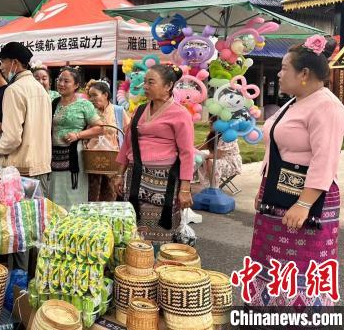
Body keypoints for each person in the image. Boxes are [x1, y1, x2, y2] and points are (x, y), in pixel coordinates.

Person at [247, 36, 344, 308]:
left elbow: (325, 160)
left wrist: (304, 204)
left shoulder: (326, 106)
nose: (279, 74)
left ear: (304, 73)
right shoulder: (295, 102)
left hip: (307, 199)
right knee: (271, 259)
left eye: (283, 68)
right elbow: (277, 150)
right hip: (278, 194)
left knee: (303, 263)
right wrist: (263, 189)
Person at [113, 64, 195, 248]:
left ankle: (160, 267)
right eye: (144, 82)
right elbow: (128, 143)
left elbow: (187, 153)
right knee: (133, 226)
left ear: (168, 86)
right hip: (135, 177)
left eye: (151, 82)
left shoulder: (180, 114)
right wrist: (119, 174)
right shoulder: (140, 110)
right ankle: (136, 268)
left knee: (161, 230)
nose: (145, 86)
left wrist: (184, 189)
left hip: (164, 181)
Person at [0, 42, 52, 194]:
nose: (1, 67)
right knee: (38, 214)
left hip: (21, 169)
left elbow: (12, 138)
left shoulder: (14, 90)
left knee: (19, 216)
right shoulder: (40, 89)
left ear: (14, 63)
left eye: (2, 62)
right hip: (41, 165)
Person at [49, 67, 103, 208]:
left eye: (66, 81)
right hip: (53, 156)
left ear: (76, 85)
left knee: (74, 195)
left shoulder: (84, 104)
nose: (61, 84)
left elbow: (100, 128)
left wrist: (78, 135)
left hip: (75, 157)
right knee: (54, 192)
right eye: (59, 80)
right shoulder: (53, 103)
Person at [87, 80, 129, 202]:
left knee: (111, 194)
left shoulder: (118, 111)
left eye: (95, 95)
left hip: (113, 160)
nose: (91, 99)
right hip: (92, 160)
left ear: (105, 95)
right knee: (92, 195)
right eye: (90, 96)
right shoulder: (89, 112)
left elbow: (127, 133)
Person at [196, 116, 242, 188]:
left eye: (211, 123)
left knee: (208, 161)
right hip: (219, 159)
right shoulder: (213, 135)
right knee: (199, 158)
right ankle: (206, 184)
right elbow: (204, 146)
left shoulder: (227, 137)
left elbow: (218, 156)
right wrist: (190, 149)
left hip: (230, 162)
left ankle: (213, 188)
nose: (209, 125)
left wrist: (202, 156)